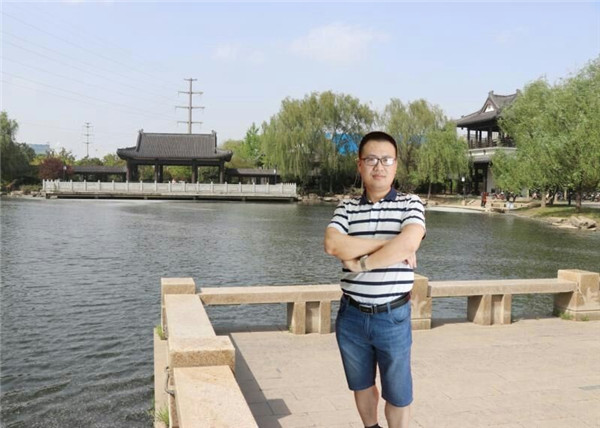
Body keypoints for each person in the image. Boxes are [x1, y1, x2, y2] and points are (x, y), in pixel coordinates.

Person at [324, 131, 426, 428]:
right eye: (371, 159)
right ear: (360, 165)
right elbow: (332, 244)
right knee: (361, 385)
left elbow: (410, 241)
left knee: (399, 393)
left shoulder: (410, 203)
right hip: (352, 316)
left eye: (386, 160)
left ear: (396, 165)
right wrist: (391, 244)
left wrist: (361, 262)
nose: (379, 166)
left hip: (392, 316)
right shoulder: (346, 207)